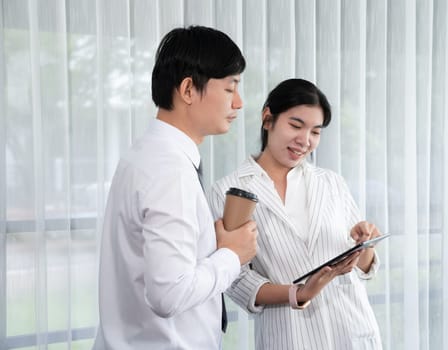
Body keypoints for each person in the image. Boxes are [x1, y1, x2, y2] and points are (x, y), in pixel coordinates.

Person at [92, 26, 258, 350]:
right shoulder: (170, 170)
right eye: (230, 88)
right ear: (187, 90)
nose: (239, 102)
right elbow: (169, 294)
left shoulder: (147, 154)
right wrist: (232, 256)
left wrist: (213, 244)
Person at [208, 78, 383, 349]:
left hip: (352, 329)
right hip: (289, 336)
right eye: (295, 125)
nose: (305, 141)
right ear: (268, 119)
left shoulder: (331, 183)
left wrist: (364, 246)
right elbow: (237, 280)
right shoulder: (229, 191)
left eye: (315, 131)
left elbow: (364, 266)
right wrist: (298, 293)